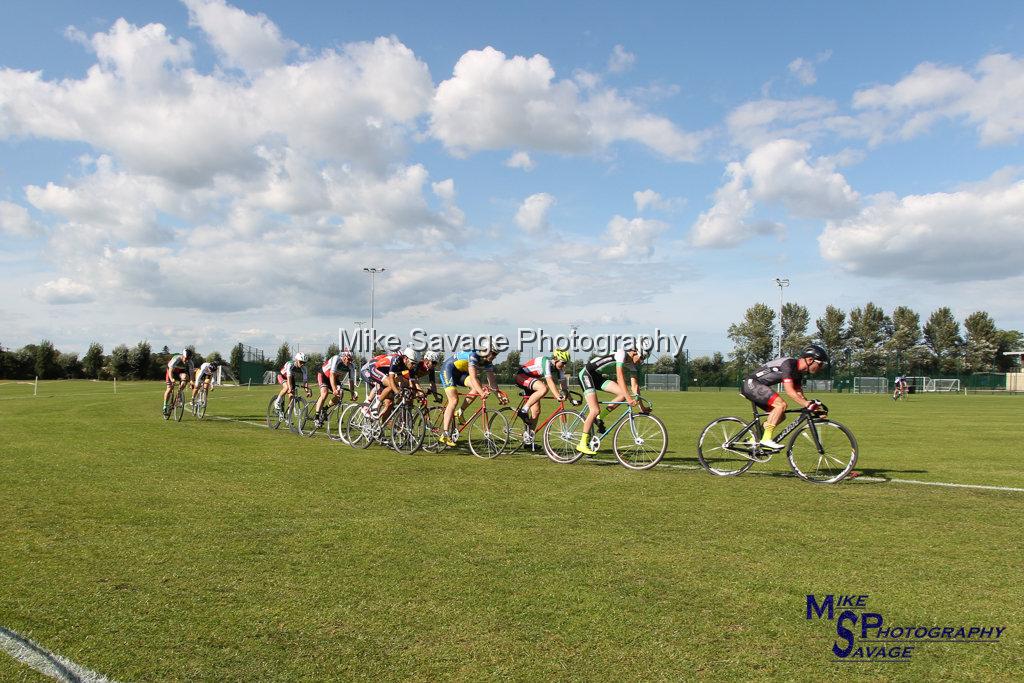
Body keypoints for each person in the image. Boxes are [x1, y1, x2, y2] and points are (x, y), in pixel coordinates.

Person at [740, 345, 828, 450]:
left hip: (757, 385)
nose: (821, 367)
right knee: (781, 405)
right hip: (752, 384)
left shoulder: (798, 373)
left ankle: (754, 439)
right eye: (820, 364)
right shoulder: (789, 365)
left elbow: (799, 394)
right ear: (810, 360)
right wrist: (807, 404)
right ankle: (766, 439)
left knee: (780, 415)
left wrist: (814, 408)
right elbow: (790, 392)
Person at [576, 340, 648, 455]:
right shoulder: (621, 354)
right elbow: (620, 378)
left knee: (622, 395)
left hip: (597, 377)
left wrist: (641, 407)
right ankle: (582, 444)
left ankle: (599, 417)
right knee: (594, 409)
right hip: (587, 374)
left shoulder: (632, 364)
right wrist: (629, 398)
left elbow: (635, 386)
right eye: (642, 357)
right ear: (634, 352)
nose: (642, 361)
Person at [439, 338, 507, 447]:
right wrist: (482, 393)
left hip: (461, 374)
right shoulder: (473, 355)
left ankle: (460, 412)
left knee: (477, 387)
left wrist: (498, 395)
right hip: (449, 370)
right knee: (454, 399)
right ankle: (445, 434)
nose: (494, 357)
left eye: (496, 355)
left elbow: (492, 381)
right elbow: (474, 377)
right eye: (493, 353)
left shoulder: (487, 362)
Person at [515, 348, 571, 436]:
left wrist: (571, 399)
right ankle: (523, 410)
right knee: (544, 388)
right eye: (563, 363)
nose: (564, 366)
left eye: (566, 363)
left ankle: (528, 439)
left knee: (536, 412)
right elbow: (549, 380)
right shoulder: (546, 362)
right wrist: (557, 396)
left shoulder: (559, 369)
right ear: (556, 359)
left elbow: (564, 386)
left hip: (532, 381)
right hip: (521, 376)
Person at [313, 350, 357, 427]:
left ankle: (325, 408)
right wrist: (334, 390)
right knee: (324, 393)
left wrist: (352, 394)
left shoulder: (351, 366)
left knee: (340, 394)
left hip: (334, 378)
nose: (349, 362)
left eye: (351, 360)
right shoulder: (336, 359)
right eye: (348, 359)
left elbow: (351, 381)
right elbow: (331, 375)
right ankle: (316, 417)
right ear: (344, 357)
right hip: (324, 375)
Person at [163, 348, 195, 416]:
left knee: (185, 378)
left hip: (180, 372)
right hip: (171, 371)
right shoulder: (176, 359)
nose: (187, 360)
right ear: (183, 356)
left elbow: (191, 375)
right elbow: (170, 371)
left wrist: (192, 382)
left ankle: (179, 395)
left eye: (188, 359)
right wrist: (172, 379)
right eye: (186, 358)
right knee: (169, 388)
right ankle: (165, 405)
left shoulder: (190, 363)